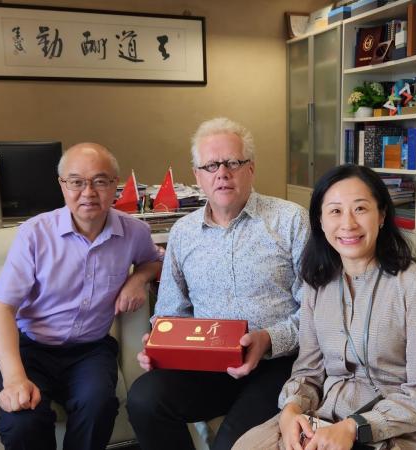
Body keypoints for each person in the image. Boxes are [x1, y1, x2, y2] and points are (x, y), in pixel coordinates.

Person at [233, 165, 416, 450]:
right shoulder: (318, 284)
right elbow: (308, 371)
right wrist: (290, 411)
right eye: (335, 211)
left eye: (360, 209)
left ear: (382, 215)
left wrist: (355, 427)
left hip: (398, 429)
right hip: (326, 416)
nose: (348, 224)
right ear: (321, 222)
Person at [126, 117, 310, 450]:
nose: (222, 173)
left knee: (231, 443)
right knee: (143, 399)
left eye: (232, 163)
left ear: (250, 168)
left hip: (278, 362)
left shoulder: (290, 220)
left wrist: (268, 339)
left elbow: (316, 310)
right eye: (211, 165)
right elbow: (171, 311)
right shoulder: (183, 232)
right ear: (197, 176)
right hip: (206, 364)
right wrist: (159, 344)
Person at [0, 143, 162, 450]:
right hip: (32, 347)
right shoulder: (35, 234)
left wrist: (139, 278)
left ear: (114, 185)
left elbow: (155, 261)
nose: (88, 192)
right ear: (62, 185)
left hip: (90, 351)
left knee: (98, 407)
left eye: (100, 181)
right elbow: (2, 308)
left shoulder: (134, 232)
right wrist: (15, 378)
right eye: (77, 182)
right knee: (21, 422)